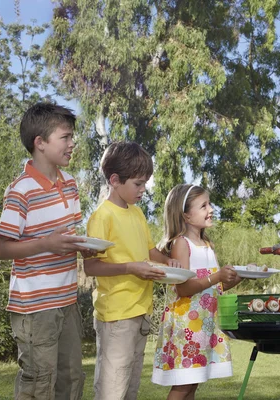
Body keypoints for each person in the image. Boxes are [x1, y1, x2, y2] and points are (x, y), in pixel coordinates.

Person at [0, 102, 92, 399]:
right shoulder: (21, 190)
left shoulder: (71, 185)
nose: (72, 144)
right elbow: (0, 248)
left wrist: (85, 248)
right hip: (34, 308)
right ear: (40, 143)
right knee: (40, 382)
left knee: (72, 377)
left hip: (67, 300)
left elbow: (69, 237)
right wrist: (46, 244)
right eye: (65, 137)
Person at [83, 141, 181, 400]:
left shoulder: (137, 214)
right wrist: (132, 269)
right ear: (115, 180)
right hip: (117, 317)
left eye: (145, 183)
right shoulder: (102, 217)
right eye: (138, 184)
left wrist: (168, 261)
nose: (143, 190)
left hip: (141, 311)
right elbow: (91, 266)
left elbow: (150, 252)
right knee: (111, 391)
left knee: (130, 389)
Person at [152, 184, 242, 400]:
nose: (210, 209)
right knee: (183, 385)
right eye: (203, 206)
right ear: (186, 216)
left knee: (193, 384)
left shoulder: (207, 245)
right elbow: (183, 288)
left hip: (205, 324)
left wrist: (236, 277)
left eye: (209, 204)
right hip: (188, 327)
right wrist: (216, 277)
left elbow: (214, 286)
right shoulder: (182, 244)